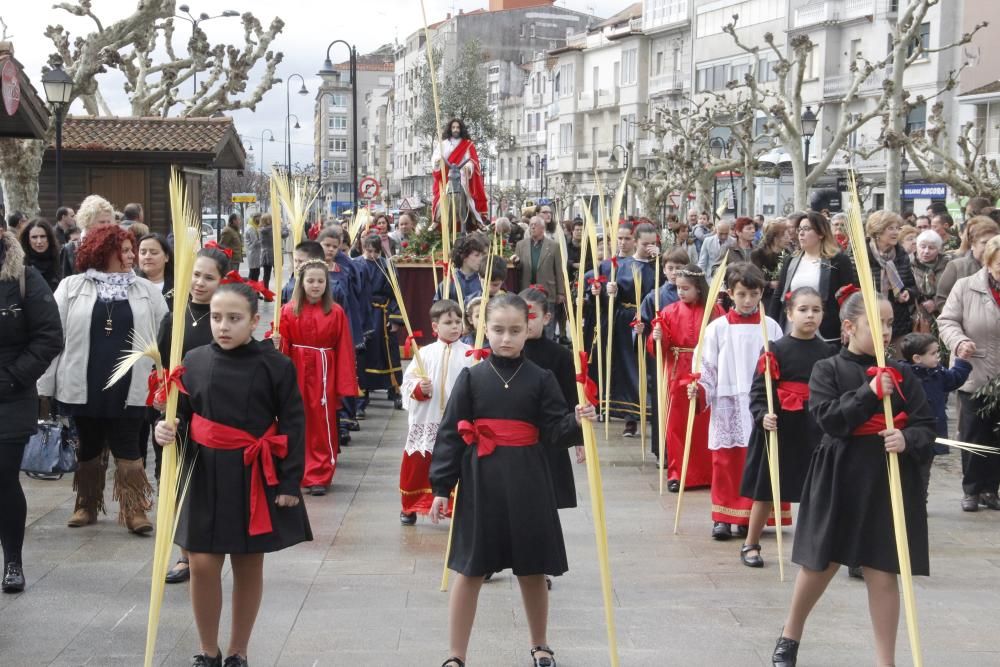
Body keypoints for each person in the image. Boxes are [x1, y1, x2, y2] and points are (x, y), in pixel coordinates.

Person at [428, 293, 595, 667]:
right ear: (484, 329)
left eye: (515, 330)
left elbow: (555, 430)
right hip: (481, 481)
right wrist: (441, 486)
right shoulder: (472, 378)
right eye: (499, 329)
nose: (506, 338)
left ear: (529, 330)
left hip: (528, 482)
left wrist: (578, 421)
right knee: (469, 569)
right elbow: (450, 434)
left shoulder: (542, 377)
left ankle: (540, 644)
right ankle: (456, 654)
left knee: (533, 567)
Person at [770, 292, 935, 667]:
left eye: (891, 323)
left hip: (886, 479)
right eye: (878, 323)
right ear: (849, 327)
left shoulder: (903, 373)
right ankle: (790, 635)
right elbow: (828, 419)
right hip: (840, 474)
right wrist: (870, 392)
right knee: (820, 563)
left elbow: (927, 426)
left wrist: (907, 439)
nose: (887, 330)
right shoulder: (827, 369)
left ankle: (885, 661)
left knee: (882, 570)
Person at [153, 281, 311, 667]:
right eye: (217, 318)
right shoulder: (193, 360)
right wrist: (165, 429)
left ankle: (239, 649)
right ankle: (208, 649)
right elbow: (182, 414)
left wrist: (289, 482)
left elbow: (293, 423)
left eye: (234, 319)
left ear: (255, 321)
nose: (223, 326)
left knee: (247, 561)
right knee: (202, 562)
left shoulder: (276, 364)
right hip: (203, 470)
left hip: (252, 472)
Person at [38, 224, 168, 533]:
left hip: (130, 382)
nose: (130, 255)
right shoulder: (71, 287)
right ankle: (87, 504)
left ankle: (135, 509)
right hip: (84, 379)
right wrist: (45, 385)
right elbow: (54, 337)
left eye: (129, 249)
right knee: (89, 444)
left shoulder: (145, 289)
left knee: (129, 445)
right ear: (101, 251)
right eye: (122, 250)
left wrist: (163, 379)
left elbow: (164, 334)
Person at [740, 287, 836, 568]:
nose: (810, 315)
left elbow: (833, 391)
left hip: (813, 427)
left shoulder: (828, 352)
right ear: (790, 313)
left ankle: (818, 545)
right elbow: (759, 390)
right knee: (768, 489)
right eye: (803, 309)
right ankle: (751, 543)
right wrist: (762, 415)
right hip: (779, 426)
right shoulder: (774, 349)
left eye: (816, 310)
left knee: (817, 489)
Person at [690, 263, 783, 541]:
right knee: (726, 462)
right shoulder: (717, 328)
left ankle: (749, 517)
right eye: (741, 294)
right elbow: (706, 366)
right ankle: (721, 516)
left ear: (761, 294)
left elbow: (781, 365)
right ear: (730, 293)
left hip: (758, 403)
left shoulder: (771, 328)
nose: (747, 301)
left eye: (753, 294)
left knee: (756, 462)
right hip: (728, 400)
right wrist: (700, 388)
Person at [156, 245, 231, 585]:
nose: (200, 283)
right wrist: (160, 399)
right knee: (175, 481)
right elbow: (160, 367)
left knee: (209, 482)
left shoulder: (225, 317)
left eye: (209, 277)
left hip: (215, 414)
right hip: (177, 414)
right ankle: (185, 554)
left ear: (222, 280)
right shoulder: (174, 316)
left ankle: (212, 546)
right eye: (196, 275)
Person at [0, 229, 63, 593]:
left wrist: (11, 378)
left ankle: (12, 561)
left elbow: (49, 335)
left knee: (3, 478)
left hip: (9, 393)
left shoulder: (24, 276)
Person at [273, 260, 358, 496]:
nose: (315, 285)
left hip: (324, 371)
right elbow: (283, 348)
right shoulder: (288, 311)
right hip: (297, 369)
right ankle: (296, 472)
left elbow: (344, 348)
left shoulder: (336, 312)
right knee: (296, 420)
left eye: (321, 281)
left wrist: (344, 383)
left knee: (323, 422)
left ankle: (320, 473)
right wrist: (277, 344)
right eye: (310, 280)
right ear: (301, 282)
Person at [937, 235, 1000, 513]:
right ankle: (972, 489)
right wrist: (959, 342)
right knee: (975, 433)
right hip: (976, 369)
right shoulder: (966, 287)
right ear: (988, 262)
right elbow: (947, 320)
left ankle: (992, 489)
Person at [649, 264, 723, 490]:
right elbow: (657, 348)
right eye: (678, 288)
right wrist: (657, 337)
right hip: (677, 372)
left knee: (704, 425)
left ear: (699, 289)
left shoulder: (716, 312)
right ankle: (678, 473)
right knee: (677, 425)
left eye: (686, 288)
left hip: (705, 370)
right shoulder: (669, 311)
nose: (680, 292)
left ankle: (708, 474)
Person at [398, 299, 472, 525]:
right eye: (448, 322)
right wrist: (420, 388)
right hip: (428, 417)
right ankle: (411, 505)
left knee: (457, 461)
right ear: (435, 327)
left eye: (458, 321)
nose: (454, 326)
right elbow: (407, 383)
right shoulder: (425, 354)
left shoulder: (470, 354)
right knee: (421, 461)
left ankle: (454, 505)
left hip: (457, 417)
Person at [597, 222, 657, 437]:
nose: (648, 248)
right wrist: (610, 292)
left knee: (648, 367)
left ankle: (652, 411)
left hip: (649, 320)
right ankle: (630, 417)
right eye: (645, 244)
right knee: (627, 369)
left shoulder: (658, 265)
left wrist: (659, 260)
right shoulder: (621, 265)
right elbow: (611, 299)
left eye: (652, 244)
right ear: (637, 242)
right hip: (625, 320)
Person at [898, 332, 972, 499]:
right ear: (917, 358)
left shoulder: (938, 373)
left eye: (938, 352)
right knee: (907, 469)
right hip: (909, 433)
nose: (938, 357)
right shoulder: (903, 375)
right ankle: (904, 500)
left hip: (931, 432)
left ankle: (920, 499)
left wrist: (962, 361)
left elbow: (955, 379)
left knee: (924, 468)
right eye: (933, 354)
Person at [768, 211, 857, 342]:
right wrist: (771, 325)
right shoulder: (791, 260)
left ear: (821, 233)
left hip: (826, 332)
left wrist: (848, 325)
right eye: (799, 229)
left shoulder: (838, 260)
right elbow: (779, 294)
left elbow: (849, 296)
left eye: (807, 229)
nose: (801, 233)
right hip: (791, 329)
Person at [354, 235, 403, 411]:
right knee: (364, 353)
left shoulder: (386, 265)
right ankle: (362, 392)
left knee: (388, 353)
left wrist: (395, 318)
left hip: (383, 314)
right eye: (369, 251)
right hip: (364, 315)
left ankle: (395, 388)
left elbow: (396, 293)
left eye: (376, 251)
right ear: (362, 248)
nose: (372, 254)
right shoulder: (356, 265)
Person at [865, 210, 917, 349]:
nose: (896, 232)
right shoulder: (861, 255)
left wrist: (908, 293)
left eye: (897, 228)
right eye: (890, 228)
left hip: (897, 323)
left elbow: (911, 286)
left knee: (895, 365)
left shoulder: (901, 255)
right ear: (877, 231)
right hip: (868, 321)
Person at [513, 217, 566, 338]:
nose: (532, 227)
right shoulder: (521, 245)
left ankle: (549, 346)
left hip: (547, 290)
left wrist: (561, 292)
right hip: (527, 290)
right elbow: (519, 268)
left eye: (535, 225)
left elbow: (558, 270)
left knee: (548, 322)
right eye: (531, 224)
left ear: (543, 228)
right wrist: (516, 263)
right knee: (527, 321)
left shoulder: (554, 246)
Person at [431, 118, 488, 228]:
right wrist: (438, 161)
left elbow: (473, 161)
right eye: (453, 127)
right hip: (447, 175)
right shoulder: (443, 144)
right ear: (450, 129)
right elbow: (436, 157)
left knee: (467, 196)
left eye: (458, 127)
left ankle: (477, 220)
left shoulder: (467, 145)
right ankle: (436, 220)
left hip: (461, 174)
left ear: (461, 129)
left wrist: (468, 167)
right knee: (441, 196)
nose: (456, 129)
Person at [934, 216, 999, 310]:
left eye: (992, 242)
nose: (989, 246)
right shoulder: (956, 267)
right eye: (984, 242)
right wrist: (958, 318)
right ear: (973, 244)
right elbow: (942, 299)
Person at [60, 194, 115, 278]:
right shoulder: (71, 249)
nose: (106, 226)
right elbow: (65, 282)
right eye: (102, 222)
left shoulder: (115, 246)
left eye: (109, 222)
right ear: (87, 223)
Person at [909, 229, 949, 333]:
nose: (926, 251)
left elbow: (953, 290)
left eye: (931, 248)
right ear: (916, 247)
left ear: (938, 249)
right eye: (923, 246)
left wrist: (936, 303)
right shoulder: (908, 264)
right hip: (915, 316)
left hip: (943, 316)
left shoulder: (947, 265)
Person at [435, 234, 486, 303]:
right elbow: (438, 307)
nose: (481, 258)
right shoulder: (449, 282)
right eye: (476, 255)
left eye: (482, 255)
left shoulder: (484, 280)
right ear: (464, 257)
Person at [751, 219, 790, 306]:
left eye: (789, 236)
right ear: (775, 238)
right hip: (763, 298)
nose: (789, 240)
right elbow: (753, 278)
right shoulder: (758, 254)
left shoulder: (788, 254)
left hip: (782, 298)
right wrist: (769, 284)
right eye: (785, 237)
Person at [20, 218, 62, 292]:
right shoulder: (21, 264)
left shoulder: (60, 259)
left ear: (49, 238)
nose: (39, 241)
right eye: (34, 237)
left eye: (42, 236)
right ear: (28, 240)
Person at [136, 233, 174, 309]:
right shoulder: (131, 286)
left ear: (166, 257)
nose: (147, 257)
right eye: (143, 253)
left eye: (154, 253)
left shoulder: (178, 287)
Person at [244, 213, 262, 283]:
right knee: (254, 273)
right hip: (253, 253)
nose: (260, 220)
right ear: (255, 218)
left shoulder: (251, 226)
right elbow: (255, 242)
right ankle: (252, 289)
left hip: (253, 253)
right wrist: (263, 239)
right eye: (259, 218)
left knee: (254, 272)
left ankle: (253, 289)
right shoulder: (251, 228)